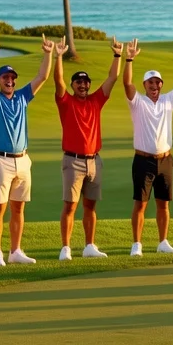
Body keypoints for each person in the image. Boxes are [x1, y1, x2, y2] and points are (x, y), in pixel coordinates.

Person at [0, 34, 54, 266]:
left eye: (12, 78)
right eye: (5, 77)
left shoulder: (22, 97)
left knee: (18, 207)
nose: (9, 81)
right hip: (0, 160)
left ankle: (15, 251)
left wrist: (48, 53)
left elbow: (43, 76)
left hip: (22, 160)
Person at [123, 40, 173, 256]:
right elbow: (127, 84)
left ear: (161, 85)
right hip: (143, 160)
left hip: (165, 160)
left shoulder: (168, 100)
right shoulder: (137, 101)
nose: (154, 87)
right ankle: (137, 244)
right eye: (150, 83)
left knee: (163, 204)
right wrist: (129, 59)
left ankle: (163, 242)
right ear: (145, 85)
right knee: (141, 203)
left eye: (157, 83)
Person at [55, 37, 121, 260]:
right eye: (78, 82)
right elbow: (58, 81)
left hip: (94, 161)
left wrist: (118, 55)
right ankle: (66, 248)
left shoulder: (96, 101)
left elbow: (113, 77)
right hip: (73, 161)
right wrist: (57, 57)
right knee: (70, 206)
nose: (82, 85)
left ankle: (89, 246)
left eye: (85, 82)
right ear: (73, 86)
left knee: (90, 207)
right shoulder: (66, 102)